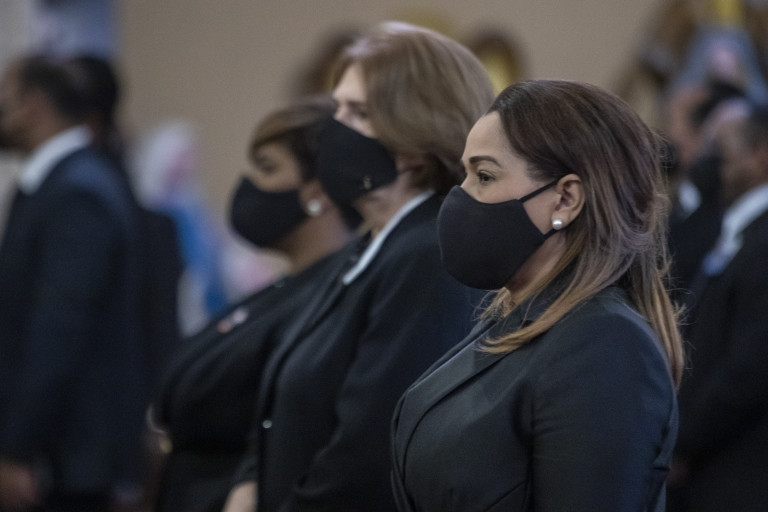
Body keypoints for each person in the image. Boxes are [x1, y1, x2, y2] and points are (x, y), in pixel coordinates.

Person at [223, 21, 495, 512]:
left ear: (416, 133)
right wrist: (250, 482)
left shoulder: (427, 254)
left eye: (359, 113)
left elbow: (369, 450)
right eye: (338, 109)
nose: (335, 130)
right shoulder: (371, 241)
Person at [391, 80, 684, 512]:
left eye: (484, 176)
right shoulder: (514, 318)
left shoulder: (605, 345)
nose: (459, 197)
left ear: (565, 199)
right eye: (465, 175)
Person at [151, 96, 356, 512]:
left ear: (318, 193)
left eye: (267, 167)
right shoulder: (286, 287)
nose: (251, 185)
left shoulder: (328, 299)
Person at [0, 55, 148, 511]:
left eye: (5, 98)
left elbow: (58, 331)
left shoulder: (77, 192)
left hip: (67, 457)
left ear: (31, 104)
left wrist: (17, 447)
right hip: (59, 452)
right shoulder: (60, 183)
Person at [669, 104, 768, 511]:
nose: (714, 164)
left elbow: (749, 366)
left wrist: (683, 440)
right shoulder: (739, 229)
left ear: (760, 154)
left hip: (735, 472)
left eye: (724, 152)